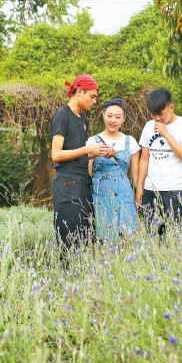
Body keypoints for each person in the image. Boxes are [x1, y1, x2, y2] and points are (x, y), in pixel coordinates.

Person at [50, 74, 114, 248]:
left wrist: (98, 152)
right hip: (67, 183)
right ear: (79, 92)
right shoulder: (61, 116)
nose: (94, 102)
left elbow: (78, 155)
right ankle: (66, 274)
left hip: (83, 182)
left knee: (86, 235)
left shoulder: (82, 119)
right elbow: (56, 155)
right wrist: (87, 149)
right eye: (92, 96)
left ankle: (83, 274)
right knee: (70, 237)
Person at [136, 87, 182, 236]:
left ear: (171, 107)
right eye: (152, 114)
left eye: (160, 114)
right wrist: (139, 188)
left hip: (175, 189)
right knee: (154, 236)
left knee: (177, 236)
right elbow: (144, 158)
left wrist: (166, 133)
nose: (157, 118)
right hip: (151, 190)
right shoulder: (148, 126)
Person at [87, 98, 140, 241]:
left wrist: (139, 194)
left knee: (128, 237)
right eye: (109, 116)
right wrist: (95, 152)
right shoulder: (92, 141)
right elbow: (88, 172)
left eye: (117, 117)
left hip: (124, 194)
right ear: (103, 116)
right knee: (103, 237)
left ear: (123, 119)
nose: (113, 120)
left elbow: (135, 175)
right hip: (101, 194)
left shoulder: (131, 142)